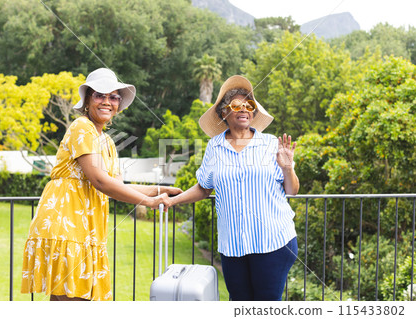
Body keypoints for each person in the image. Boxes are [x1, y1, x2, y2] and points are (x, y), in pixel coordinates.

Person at [21, 68, 181, 301]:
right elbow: (99, 180)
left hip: (86, 231)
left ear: (118, 104)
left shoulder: (106, 140)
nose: (107, 101)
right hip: (66, 227)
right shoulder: (81, 127)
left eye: (113, 97)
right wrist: (149, 201)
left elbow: (116, 184)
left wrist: (160, 191)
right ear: (87, 101)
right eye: (100, 95)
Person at [170, 75, 299, 301]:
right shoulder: (215, 146)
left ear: (254, 112)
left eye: (249, 105)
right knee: (238, 304)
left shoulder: (270, 144)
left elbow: (292, 191)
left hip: (272, 242)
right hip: (233, 246)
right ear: (224, 113)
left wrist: (288, 168)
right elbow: (203, 188)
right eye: (236, 105)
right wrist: (171, 200)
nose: (244, 109)